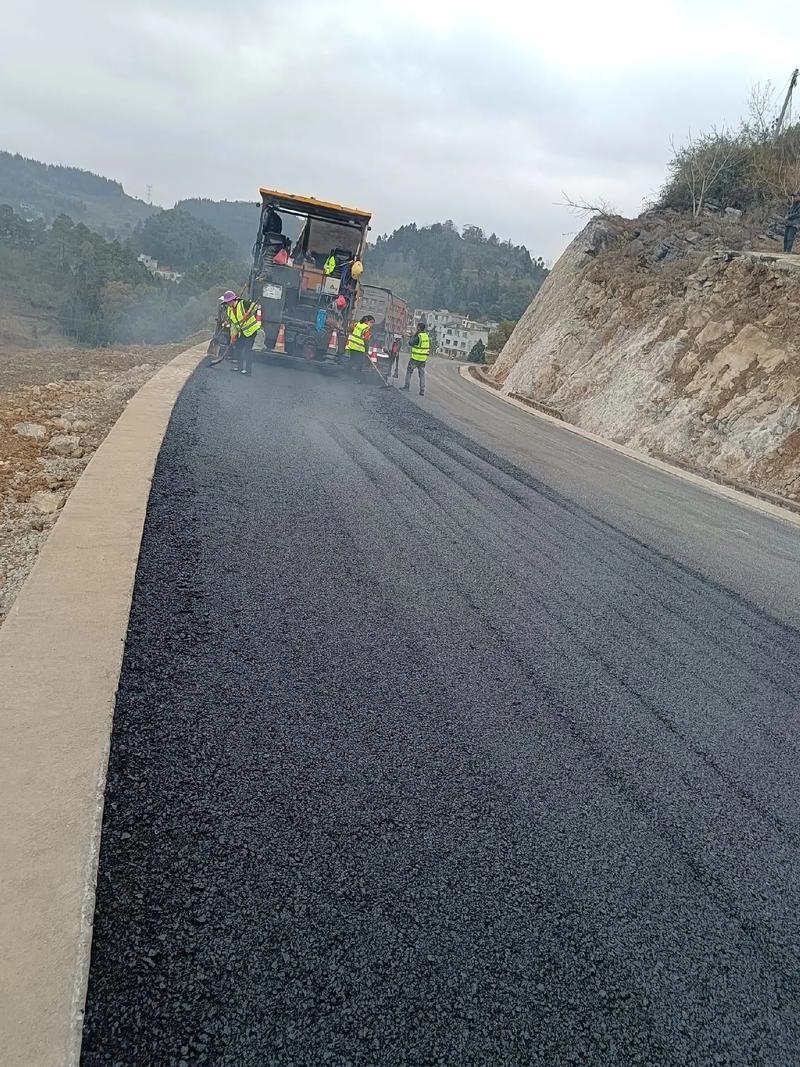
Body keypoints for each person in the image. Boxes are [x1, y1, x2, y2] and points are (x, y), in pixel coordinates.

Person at [223, 291, 261, 376]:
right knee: (238, 348)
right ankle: (239, 367)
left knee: (248, 350)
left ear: (233, 300)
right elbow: (233, 324)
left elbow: (255, 306)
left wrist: (248, 313)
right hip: (243, 332)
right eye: (226, 302)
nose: (228, 304)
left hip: (251, 330)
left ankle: (248, 371)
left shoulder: (243, 303)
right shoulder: (229, 310)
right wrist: (233, 335)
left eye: (229, 302)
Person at [401, 321, 430, 395]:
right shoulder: (426, 336)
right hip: (423, 359)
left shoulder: (418, 336)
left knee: (409, 372)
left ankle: (406, 387)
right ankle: (422, 391)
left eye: (417, 327)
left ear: (419, 328)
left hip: (415, 358)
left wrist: (413, 335)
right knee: (422, 375)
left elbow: (410, 343)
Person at [206, 293, 233, 364]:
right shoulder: (221, 306)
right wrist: (221, 320)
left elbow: (229, 315)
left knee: (228, 337)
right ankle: (214, 350)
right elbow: (220, 315)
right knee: (217, 335)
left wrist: (227, 321)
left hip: (228, 324)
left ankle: (228, 353)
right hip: (220, 323)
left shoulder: (230, 307)